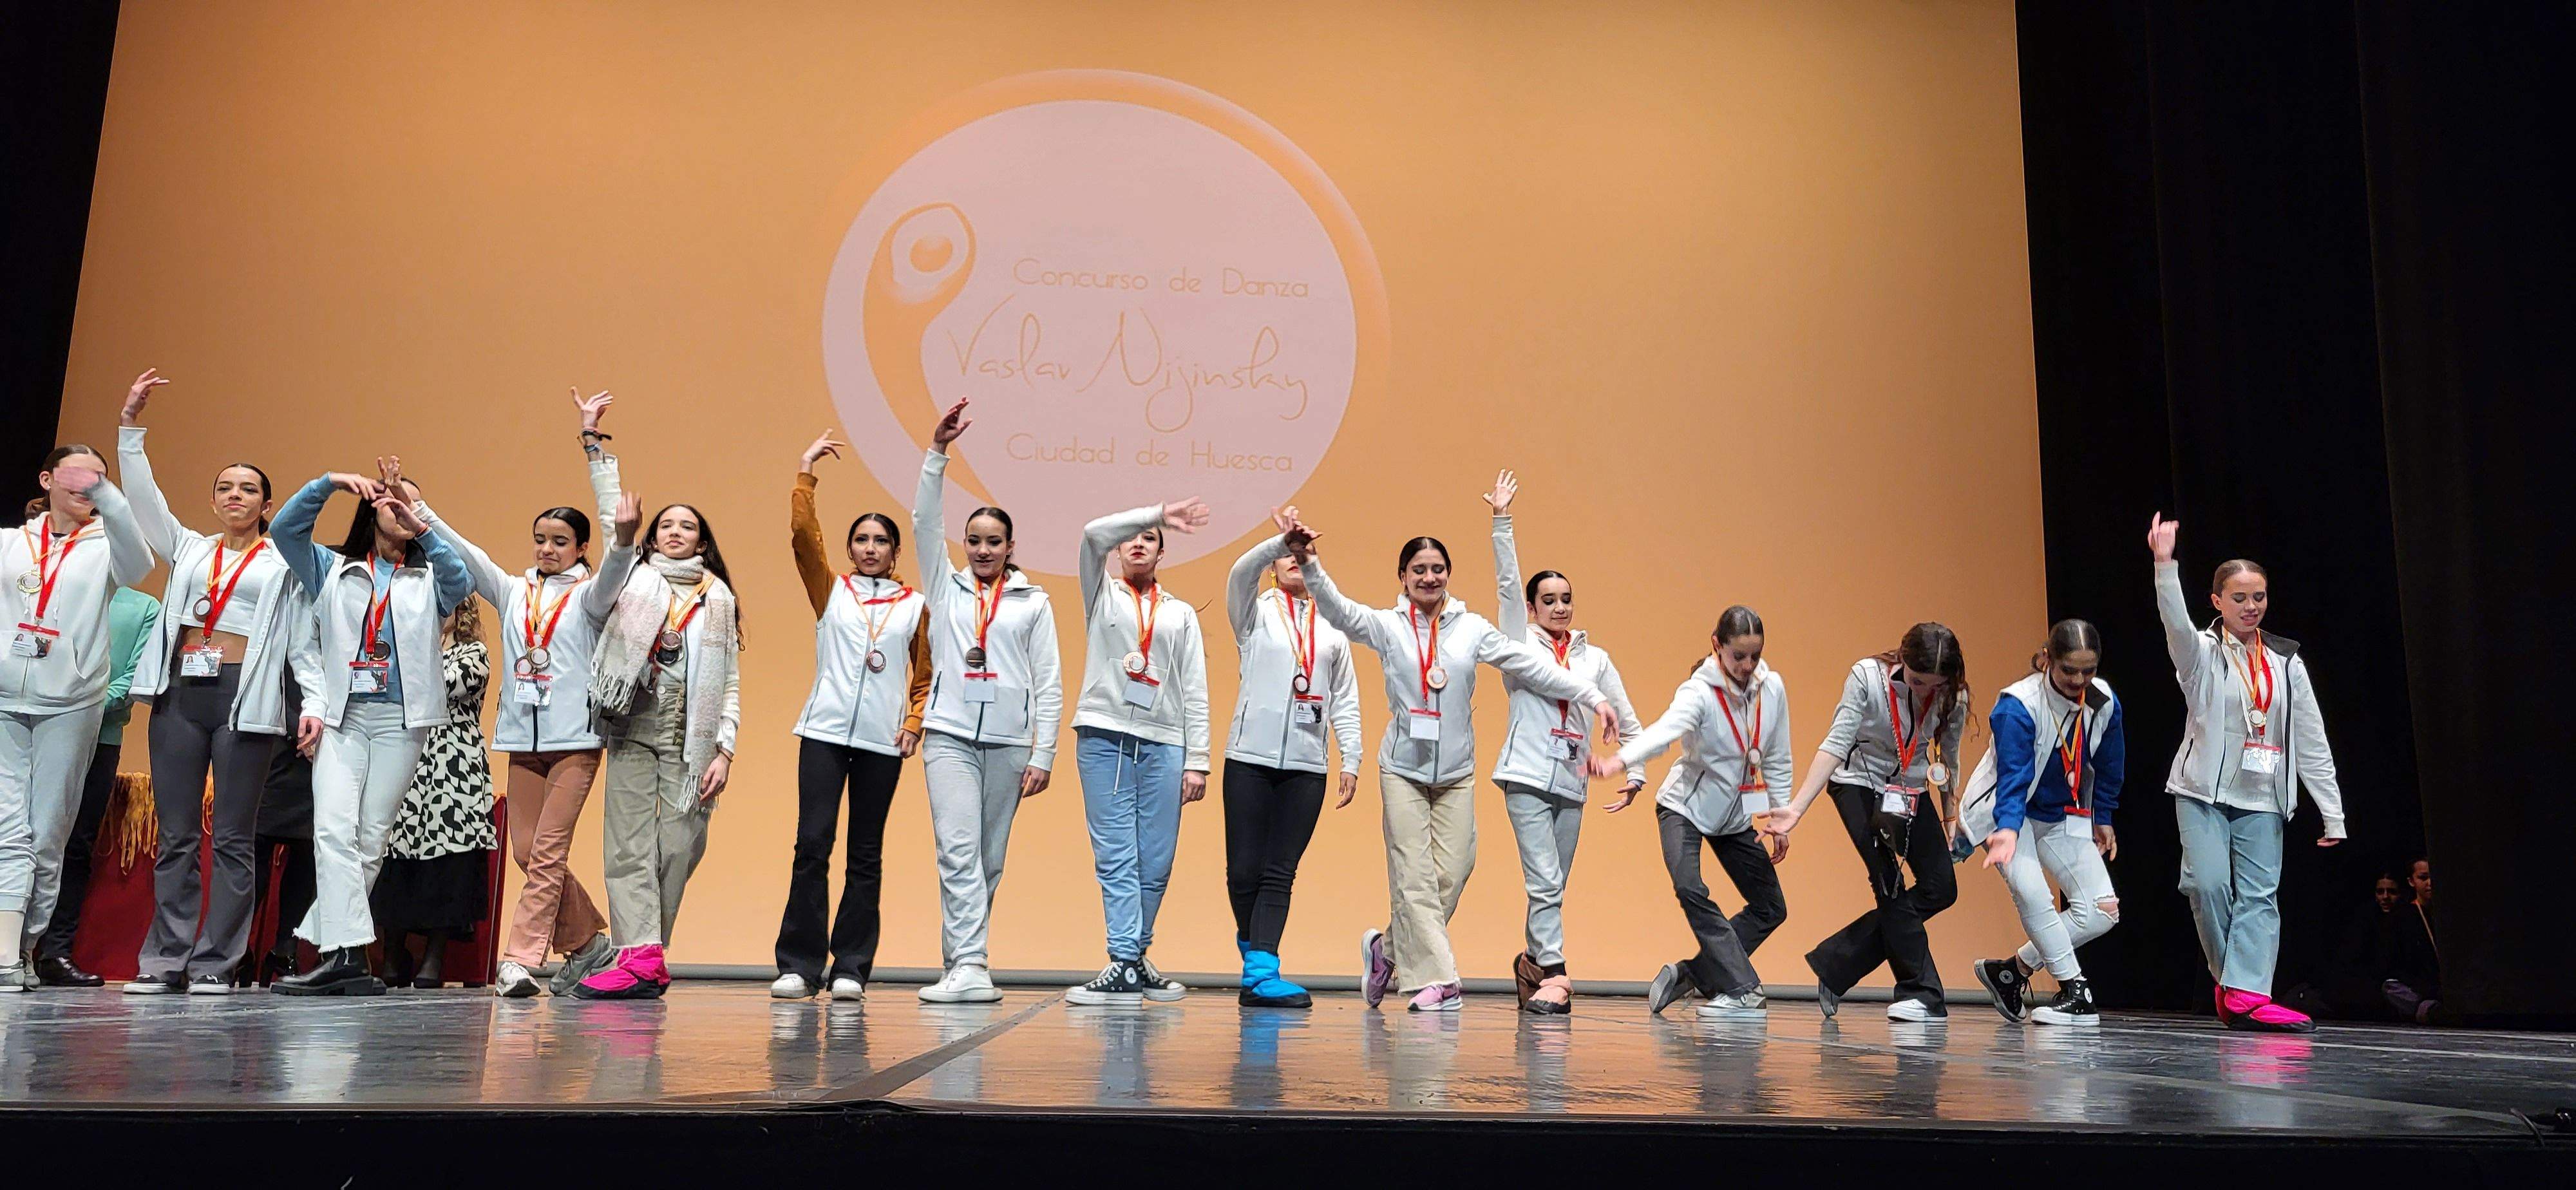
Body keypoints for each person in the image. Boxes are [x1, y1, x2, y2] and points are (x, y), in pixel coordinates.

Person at [1282, 506, 1614, 1014]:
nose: (1429, 577)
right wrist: (1310, 563)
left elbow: (1532, 666)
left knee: (1452, 874)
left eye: (1437, 569)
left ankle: (1384, 951)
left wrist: (1592, 696)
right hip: (1402, 771)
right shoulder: (1388, 626)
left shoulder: (1472, 629)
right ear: (1403, 577)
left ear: (1448, 576)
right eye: (1419, 569)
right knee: (1413, 876)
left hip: (1456, 773)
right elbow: (1340, 610)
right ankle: (1436, 981)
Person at [415, 389, 634, 997]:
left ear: (581, 548)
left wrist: (595, 450)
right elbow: (466, 553)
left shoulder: (590, 596)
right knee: (529, 854)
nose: (547, 548)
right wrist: (419, 507)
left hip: (575, 740)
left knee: (547, 854)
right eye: (541, 538)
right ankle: (590, 944)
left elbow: (622, 552)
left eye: (560, 541)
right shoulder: (514, 592)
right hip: (521, 735)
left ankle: (519, 959)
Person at [115, 370, 326, 995]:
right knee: (177, 835)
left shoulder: (283, 561)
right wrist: (131, 427)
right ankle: (164, 959)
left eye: (249, 490)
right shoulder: (187, 548)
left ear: (268, 505)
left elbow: (303, 643)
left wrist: (312, 702)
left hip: (246, 699)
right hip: (182, 695)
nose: (236, 496)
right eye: (225, 488)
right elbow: (144, 496)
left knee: (234, 837)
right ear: (213, 501)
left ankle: (216, 962)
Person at [267, 457, 474, 997]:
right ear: (370, 508)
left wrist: (423, 522)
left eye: (409, 498)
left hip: (401, 724)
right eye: (389, 498)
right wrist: (329, 482)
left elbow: (463, 578)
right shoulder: (330, 568)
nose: (399, 505)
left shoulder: (427, 578)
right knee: (334, 829)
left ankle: (342, 957)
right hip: (343, 719)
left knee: (372, 841)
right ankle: (345, 955)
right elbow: (284, 529)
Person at [2148, 513, 2344, 1033]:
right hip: (2202, 793)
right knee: (2207, 885)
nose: (2250, 607)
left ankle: (2247, 994)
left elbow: (2311, 736)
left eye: (2258, 597)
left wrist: (2333, 812)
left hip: (2264, 796)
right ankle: (2234, 985)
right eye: (2239, 598)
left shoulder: (2286, 661)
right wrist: (2164, 566)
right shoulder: (2201, 655)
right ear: (2216, 602)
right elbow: (2173, 621)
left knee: (2260, 898)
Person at [574, 439, 741, 1001]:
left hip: (688, 737)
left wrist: (724, 749)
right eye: (666, 524)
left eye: (687, 526)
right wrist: (598, 453)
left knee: (677, 847)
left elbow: (731, 682)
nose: (675, 531)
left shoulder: (718, 598)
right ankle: (639, 956)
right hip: (632, 724)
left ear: (702, 540)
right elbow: (613, 535)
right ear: (651, 535)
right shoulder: (630, 577)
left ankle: (646, 954)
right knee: (626, 849)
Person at [908, 399, 1062, 1005]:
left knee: (989, 858)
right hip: (947, 734)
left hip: (1008, 742)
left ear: (1010, 545)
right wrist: (937, 453)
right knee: (958, 849)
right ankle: (972, 963)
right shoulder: (944, 588)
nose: (982, 550)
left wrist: (1043, 752)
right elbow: (922, 521)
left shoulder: (1033, 602)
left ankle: (962, 964)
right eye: (972, 540)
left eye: (993, 542)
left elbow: (1047, 679)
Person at [773, 429, 930, 1003]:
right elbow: (801, 538)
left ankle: (851, 967)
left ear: (894, 551)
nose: (869, 548)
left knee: (866, 854)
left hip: (881, 743)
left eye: (880, 541)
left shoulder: (916, 605)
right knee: (812, 845)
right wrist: (805, 471)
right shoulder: (831, 591)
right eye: (860, 539)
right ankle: (798, 964)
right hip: (822, 732)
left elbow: (925, 675)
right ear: (849, 549)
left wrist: (914, 724)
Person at [1482, 471, 1644, 1013]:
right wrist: (1502, 522)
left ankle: (1531, 962)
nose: (1559, 607)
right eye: (1548, 600)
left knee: (1553, 884)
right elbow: (1507, 585)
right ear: (1531, 609)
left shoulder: (1594, 658)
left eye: (1566, 599)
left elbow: (1627, 718)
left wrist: (1636, 774)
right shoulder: (1516, 644)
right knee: (1544, 877)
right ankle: (1555, 971)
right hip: (1526, 776)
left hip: (1573, 782)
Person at [0, 443, 153, 990]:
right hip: (4, 701)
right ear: (46, 479)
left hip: (70, 705)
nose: (84, 484)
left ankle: (24, 943)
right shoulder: (10, 544)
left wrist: (110, 497)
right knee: (8, 830)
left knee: (48, 831)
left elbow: (141, 562)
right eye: (73, 474)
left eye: (97, 479)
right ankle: (5, 952)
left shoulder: (108, 548)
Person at [1765, 623, 1972, 1022]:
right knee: (1889, 883)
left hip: (1909, 790)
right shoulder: (1866, 678)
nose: (1924, 691)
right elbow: (1835, 743)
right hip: (1857, 784)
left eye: (1935, 684)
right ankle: (1923, 993)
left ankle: (1836, 962)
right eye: (1916, 681)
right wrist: (1797, 808)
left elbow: (1949, 758)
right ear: (1902, 659)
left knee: (1941, 888)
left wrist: (1950, 815)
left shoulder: (1953, 696)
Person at [1601, 605, 1791, 1020]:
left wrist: (1780, 816)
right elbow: (1665, 731)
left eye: (1755, 656)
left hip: (1735, 814)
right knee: (1690, 887)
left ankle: (1693, 974)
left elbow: (1776, 756)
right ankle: (1744, 988)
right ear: (1716, 645)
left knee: (1771, 907)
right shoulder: (1699, 693)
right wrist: (1622, 760)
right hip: (1683, 807)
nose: (1747, 666)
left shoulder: (1771, 689)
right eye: (1738, 656)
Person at [1061, 484, 1212, 1008]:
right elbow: (1090, 535)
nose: (1138, 545)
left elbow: (1194, 688)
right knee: (1116, 855)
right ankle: (1126, 957)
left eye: (1150, 539)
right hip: (1104, 737)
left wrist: (1198, 761)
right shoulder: (1101, 592)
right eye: (1132, 539)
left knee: (1157, 859)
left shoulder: (1181, 614)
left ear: (1162, 551)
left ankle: (1131, 960)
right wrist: (1154, 515)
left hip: (1165, 744)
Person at [1220, 507, 1363, 1008]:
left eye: (1303, 556)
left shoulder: (1333, 630)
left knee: (1280, 871)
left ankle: (1263, 966)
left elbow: (1344, 697)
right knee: (1242, 871)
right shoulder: (1254, 613)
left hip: (1307, 767)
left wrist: (1352, 758)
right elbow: (1238, 574)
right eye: (1286, 558)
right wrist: (1280, 540)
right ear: (1275, 564)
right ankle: (1254, 954)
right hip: (1249, 760)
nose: (1295, 563)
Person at [1961, 619, 2126, 1026]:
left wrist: (2103, 816)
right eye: (2070, 669)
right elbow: (2013, 777)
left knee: (2102, 911)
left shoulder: (2103, 700)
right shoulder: (2017, 705)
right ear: (2047, 659)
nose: (2079, 679)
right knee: (2034, 895)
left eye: (2089, 670)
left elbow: (2109, 763)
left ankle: (2011, 972)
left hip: (2059, 815)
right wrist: (2006, 831)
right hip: (2005, 813)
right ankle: (2074, 988)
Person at [33, 582, 158, 987]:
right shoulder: (61, 590)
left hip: (100, 737)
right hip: (36, 731)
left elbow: (132, 680)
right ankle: (13, 946)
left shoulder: (143, 607)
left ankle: (55, 951)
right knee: (22, 836)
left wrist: (78, 706)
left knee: (78, 843)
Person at [368, 603, 498, 989]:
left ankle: (432, 962)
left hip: (452, 770)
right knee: (395, 858)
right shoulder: (400, 650)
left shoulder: (473, 654)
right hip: (405, 759)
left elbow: (435, 687)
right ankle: (391, 958)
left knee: (449, 867)